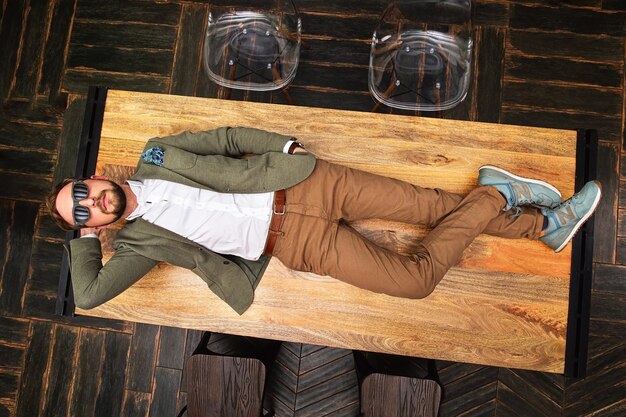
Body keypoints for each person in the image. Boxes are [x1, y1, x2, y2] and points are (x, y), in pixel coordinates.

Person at [47, 127, 602, 314]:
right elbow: (90, 294)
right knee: (414, 283)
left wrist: (281, 146)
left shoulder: (156, 154)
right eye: (78, 215)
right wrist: (89, 240)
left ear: (94, 176)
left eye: (82, 193)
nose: (87, 205)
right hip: (295, 241)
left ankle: (543, 228)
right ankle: (496, 195)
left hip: (306, 182)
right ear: (86, 224)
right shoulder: (139, 242)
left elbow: (226, 140)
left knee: (435, 208)